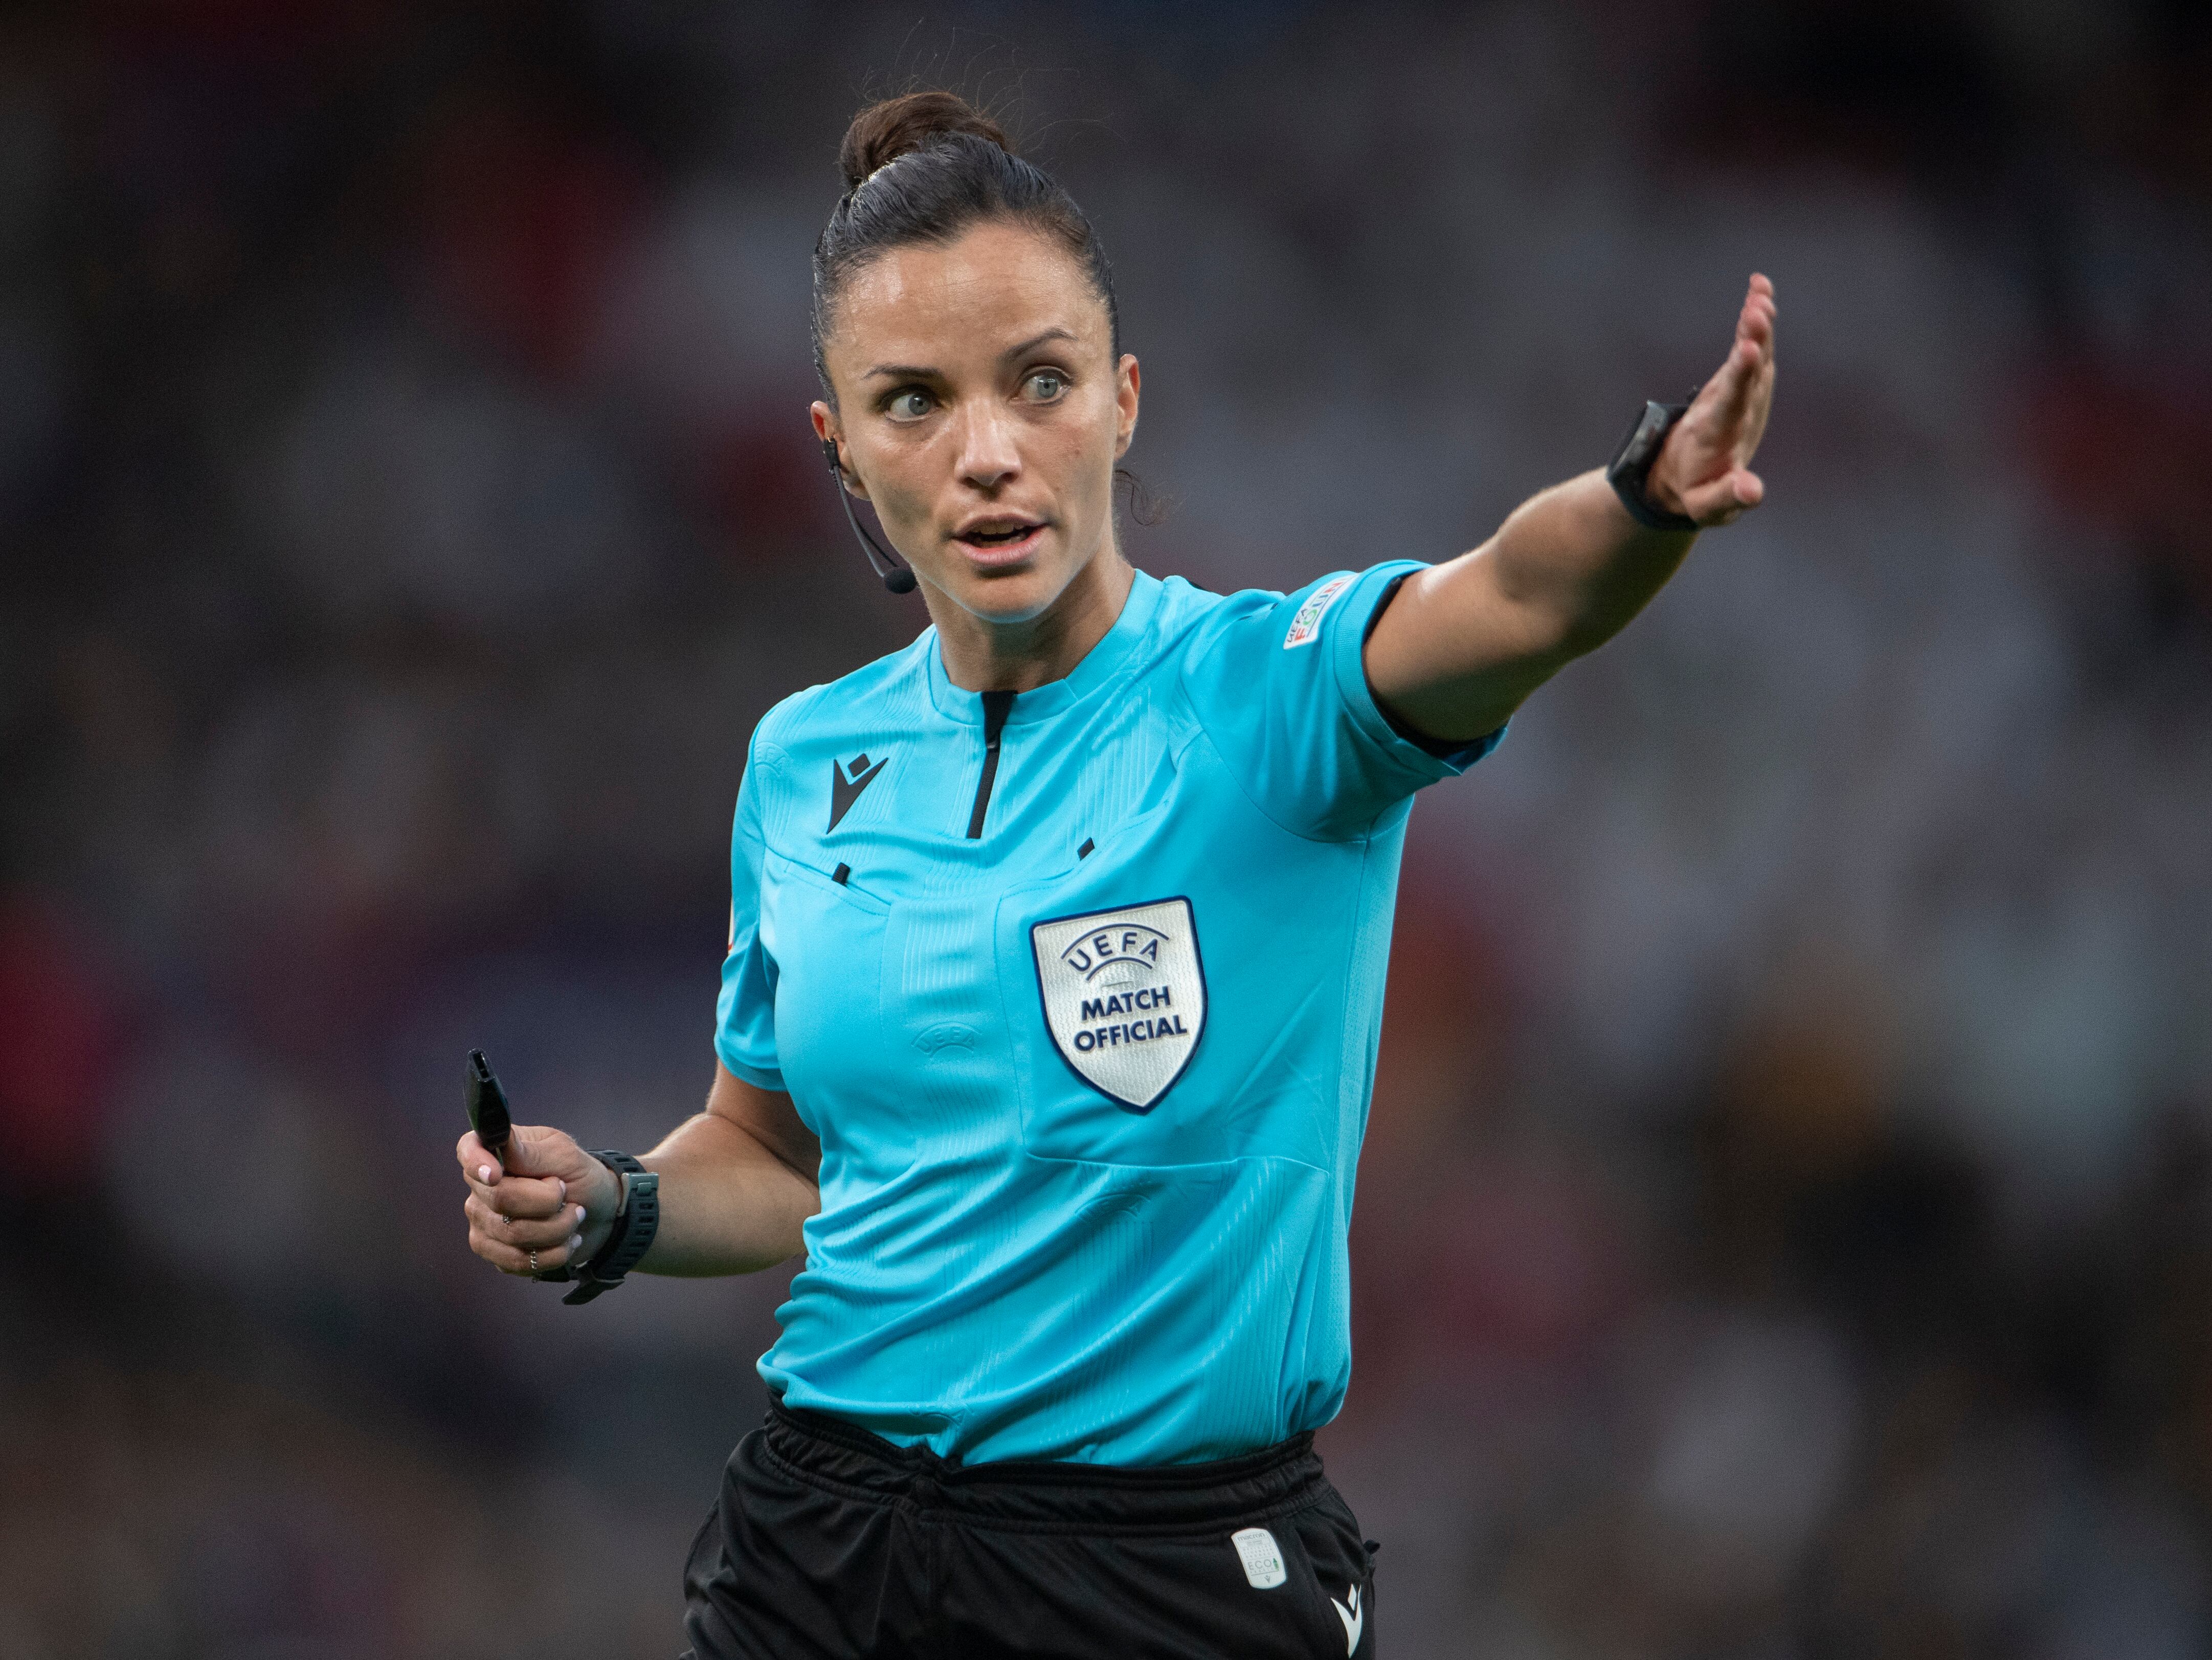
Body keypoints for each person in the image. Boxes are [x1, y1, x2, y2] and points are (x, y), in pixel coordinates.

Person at [455, 90, 1776, 1660]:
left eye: (1040, 383)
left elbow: (1509, 601)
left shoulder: (1273, 702)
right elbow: (787, 1157)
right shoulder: (805, 760)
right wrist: (617, 1204)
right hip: (823, 1553)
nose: (989, 454)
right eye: (914, 403)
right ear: (842, 448)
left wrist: (1640, 504)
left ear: (1125, 399)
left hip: (1164, 1582)